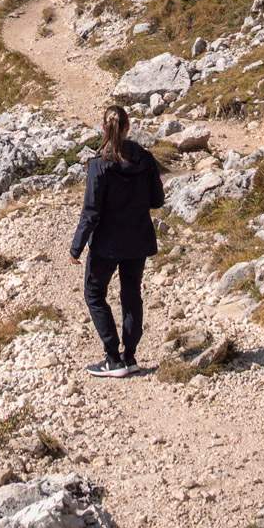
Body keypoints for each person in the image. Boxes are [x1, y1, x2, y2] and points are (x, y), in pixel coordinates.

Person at [69, 103, 165, 378]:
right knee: (131, 294)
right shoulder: (145, 159)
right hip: (138, 239)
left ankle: (112, 358)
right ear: (127, 127)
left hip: (107, 244)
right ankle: (130, 357)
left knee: (94, 294)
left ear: (103, 128)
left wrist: (77, 246)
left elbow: (91, 211)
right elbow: (157, 200)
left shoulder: (99, 166)